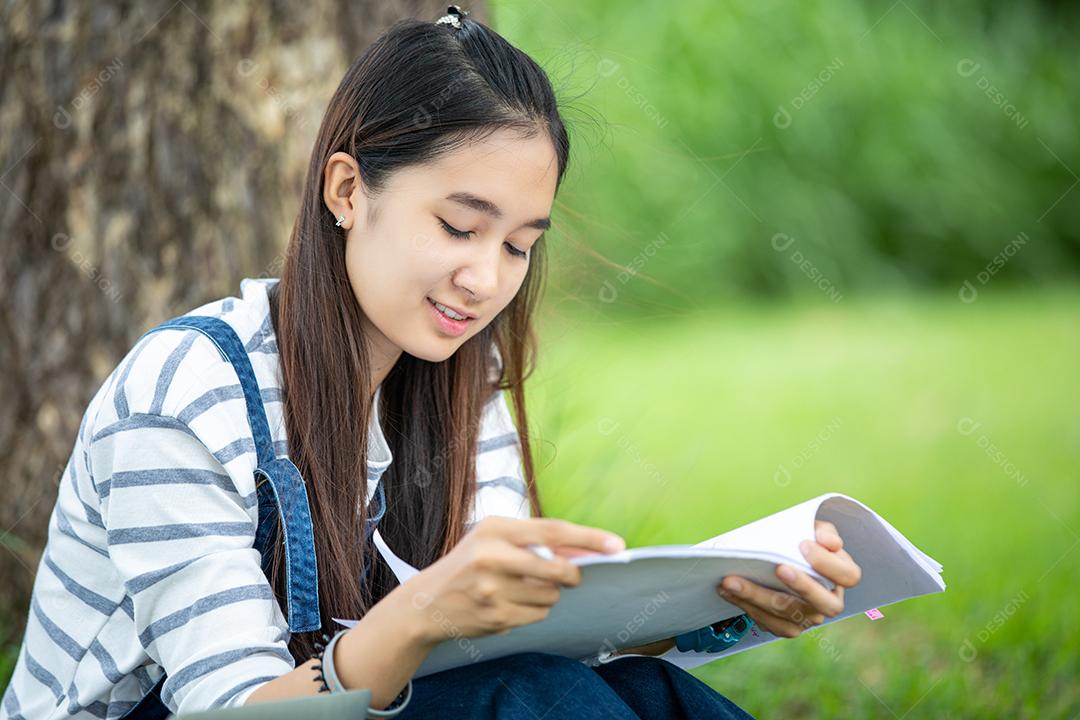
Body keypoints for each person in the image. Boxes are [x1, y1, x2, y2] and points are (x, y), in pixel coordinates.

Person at [1, 5, 861, 719]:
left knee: (649, 693)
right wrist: (422, 613)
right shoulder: (185, 395)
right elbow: (235, 710)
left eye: (520, 245)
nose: (486, 279)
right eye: (458, 226)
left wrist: (715, 609)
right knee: (530, 695)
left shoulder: (459, 374)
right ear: (347, 191)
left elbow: (510, 643)